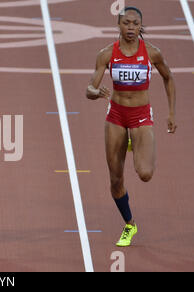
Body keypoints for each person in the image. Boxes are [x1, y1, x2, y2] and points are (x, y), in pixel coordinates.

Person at [86, 7, 176, 247]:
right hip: (116, 115)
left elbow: (169, 78)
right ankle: (130, 224)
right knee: (115, 180)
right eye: (126, 23)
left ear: (140, 26)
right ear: (118, 25)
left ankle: (134, 142)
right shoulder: (106, 54)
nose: (130, 28)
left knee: (145, 174)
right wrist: (96, 93)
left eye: (135, 24)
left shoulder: (152, 53)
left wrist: (171, 113)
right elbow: (89, 89)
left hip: (141, 115)